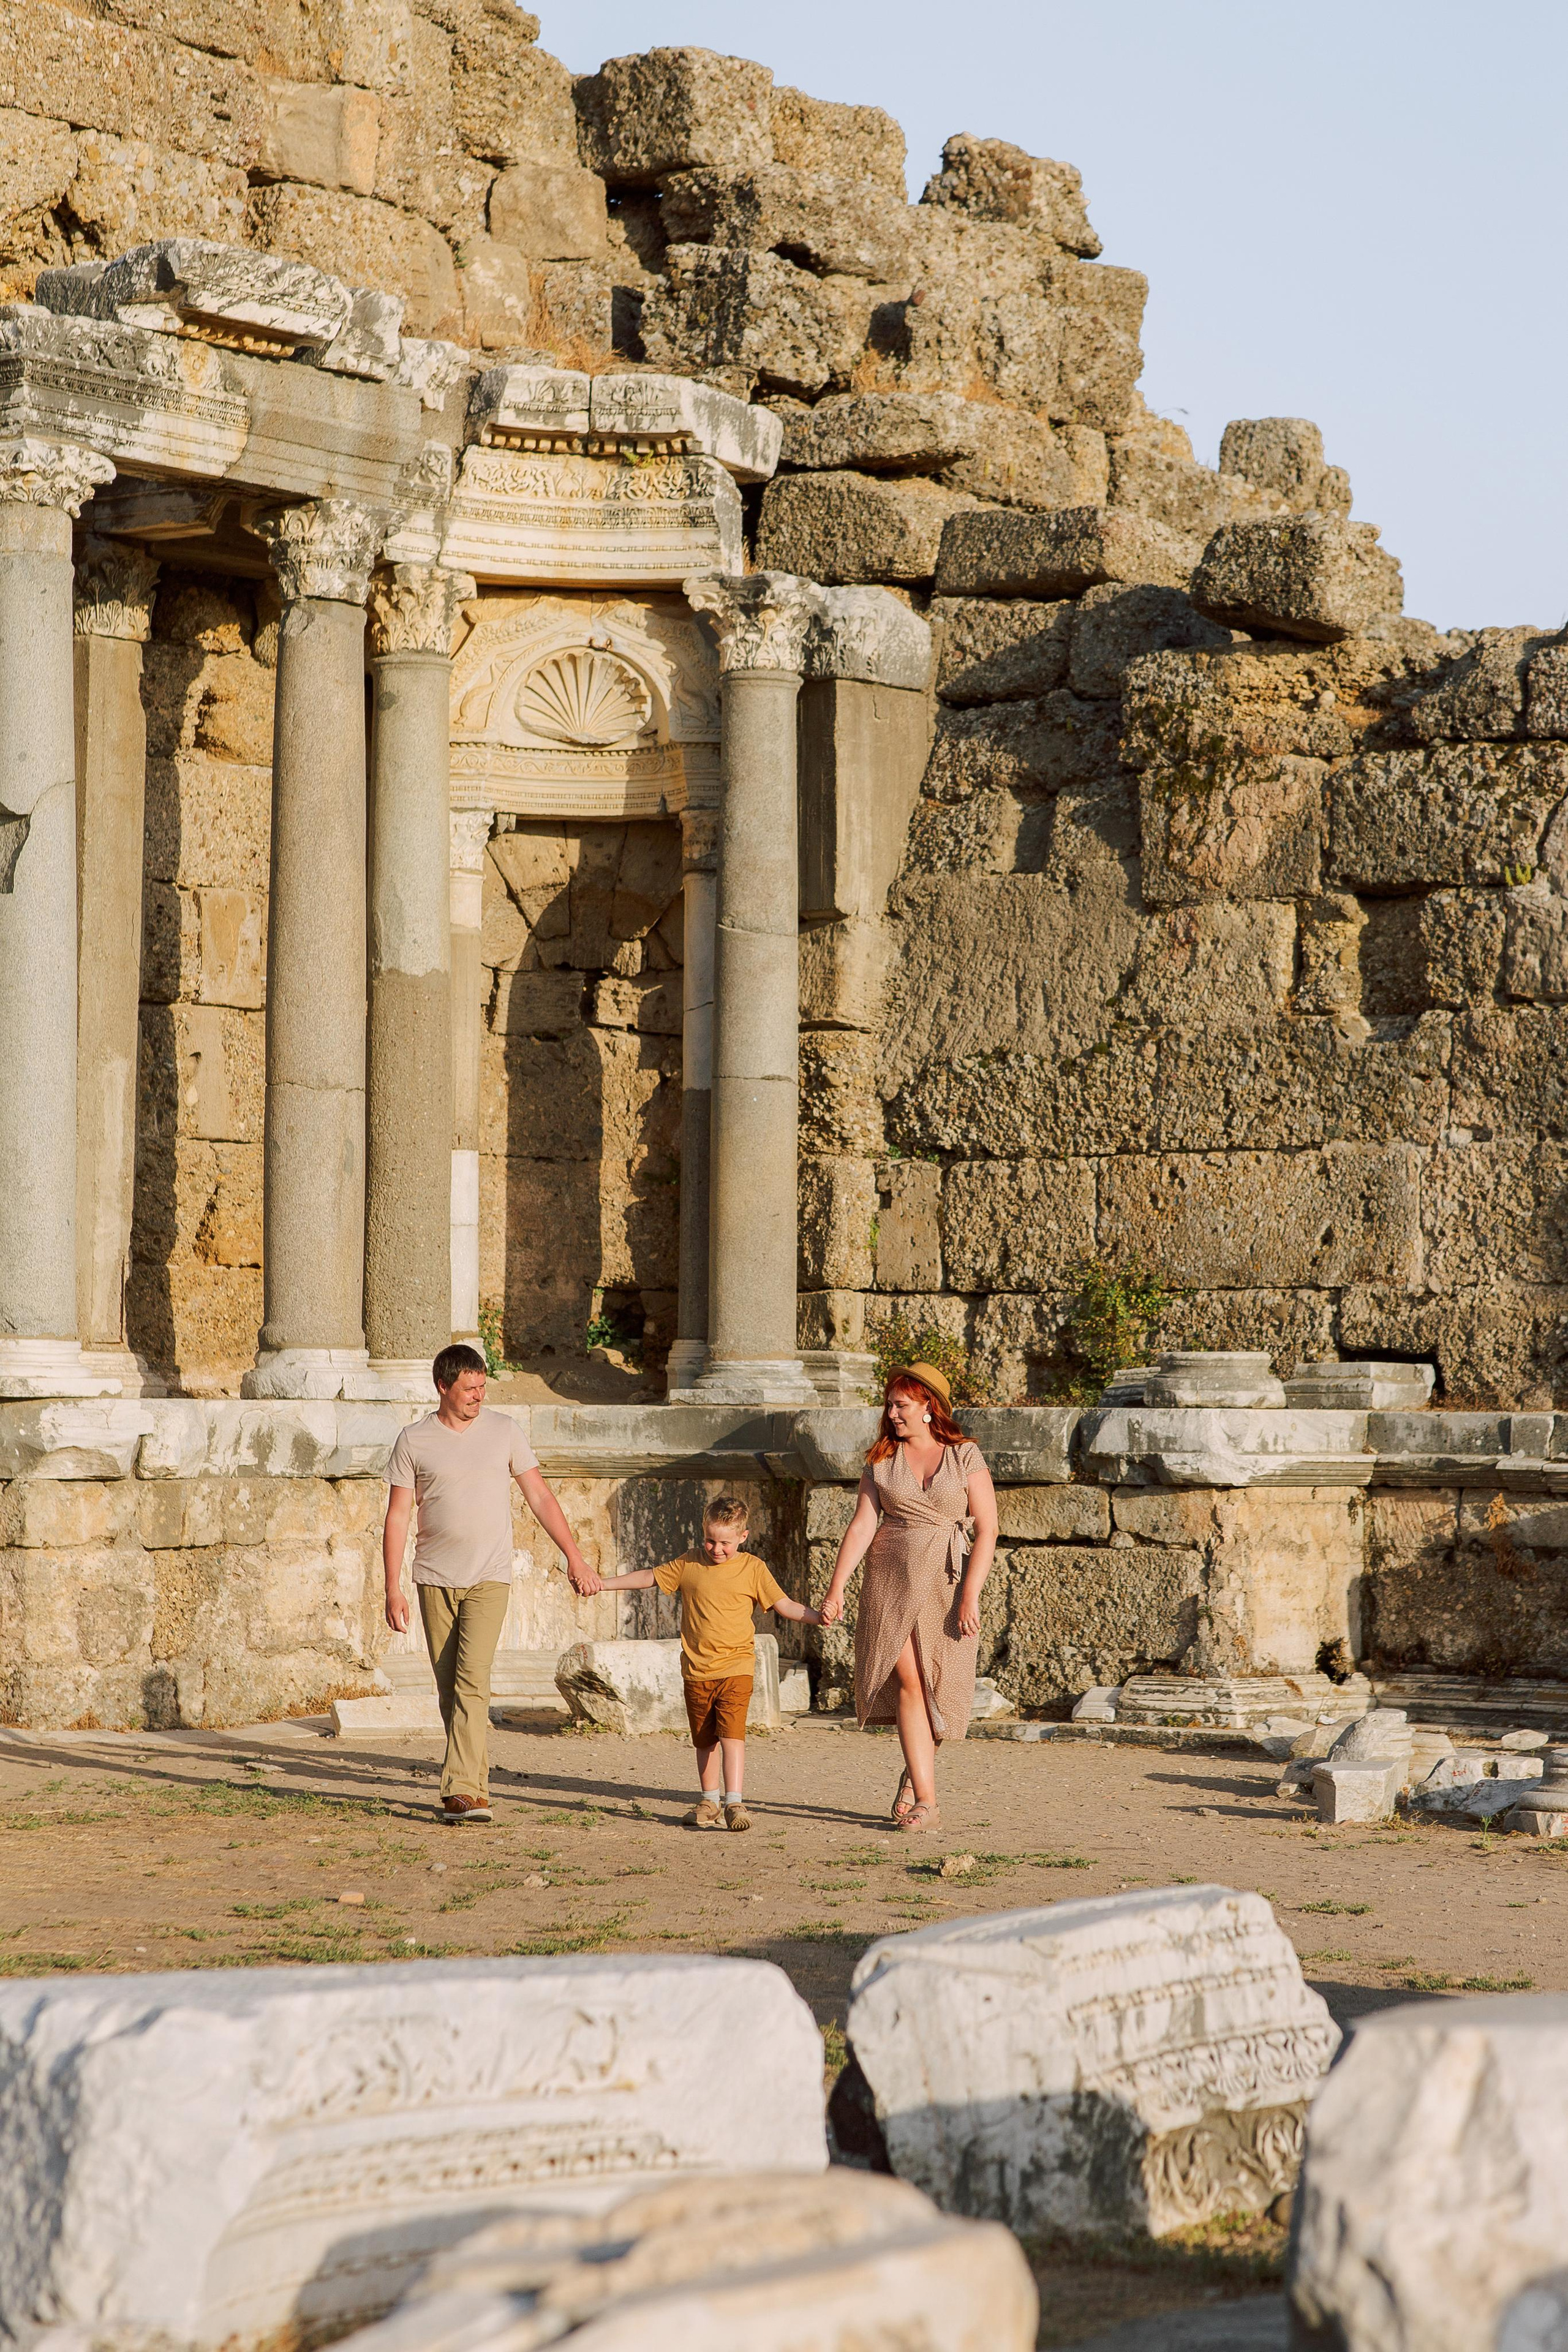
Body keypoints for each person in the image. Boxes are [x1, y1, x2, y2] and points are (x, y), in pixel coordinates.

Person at [383, 1342, 598, 1825]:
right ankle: (474, 1785)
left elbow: (540, 1496)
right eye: (469, 1390)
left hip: (490, 1575)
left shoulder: (505, 1431)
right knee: (449, 1689)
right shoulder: (413, 1441)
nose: (479, 1397)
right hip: (434, 1577)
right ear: (443, 1387)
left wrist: (575, 1557)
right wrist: (392, 1587)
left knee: (472, 1678)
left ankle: (460, 1792)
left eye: (483, 1388)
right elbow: (398, 1516)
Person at [818, 1363, 998, 1834]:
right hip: (890, 1577)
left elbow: (988, 1528)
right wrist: (836, 1588)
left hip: (946, 1578)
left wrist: (971, 1595)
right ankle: (928, 1801)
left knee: (939, 1685)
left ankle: (915, 1769)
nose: (892, 1413)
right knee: (910, 1683)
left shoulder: (965, 1456)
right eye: (889, 1405)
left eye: (901, 1405)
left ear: (928, 1407)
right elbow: (862, 1526)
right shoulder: (880, 1459)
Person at [594, 1494, 821, 1831]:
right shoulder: (689, 1564)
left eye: (725, 1542)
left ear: (743, 1537)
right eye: (710, 1540)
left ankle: (735, 1802)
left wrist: (818, 1617)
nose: (717, 1549)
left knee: (733, 1736)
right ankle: (709, 1800)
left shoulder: (753, 1569)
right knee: (704, 1740)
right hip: (697, 1671)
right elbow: (649, 1578)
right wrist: (602, 1584)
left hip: (737, 1668)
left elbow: (784, 1604)